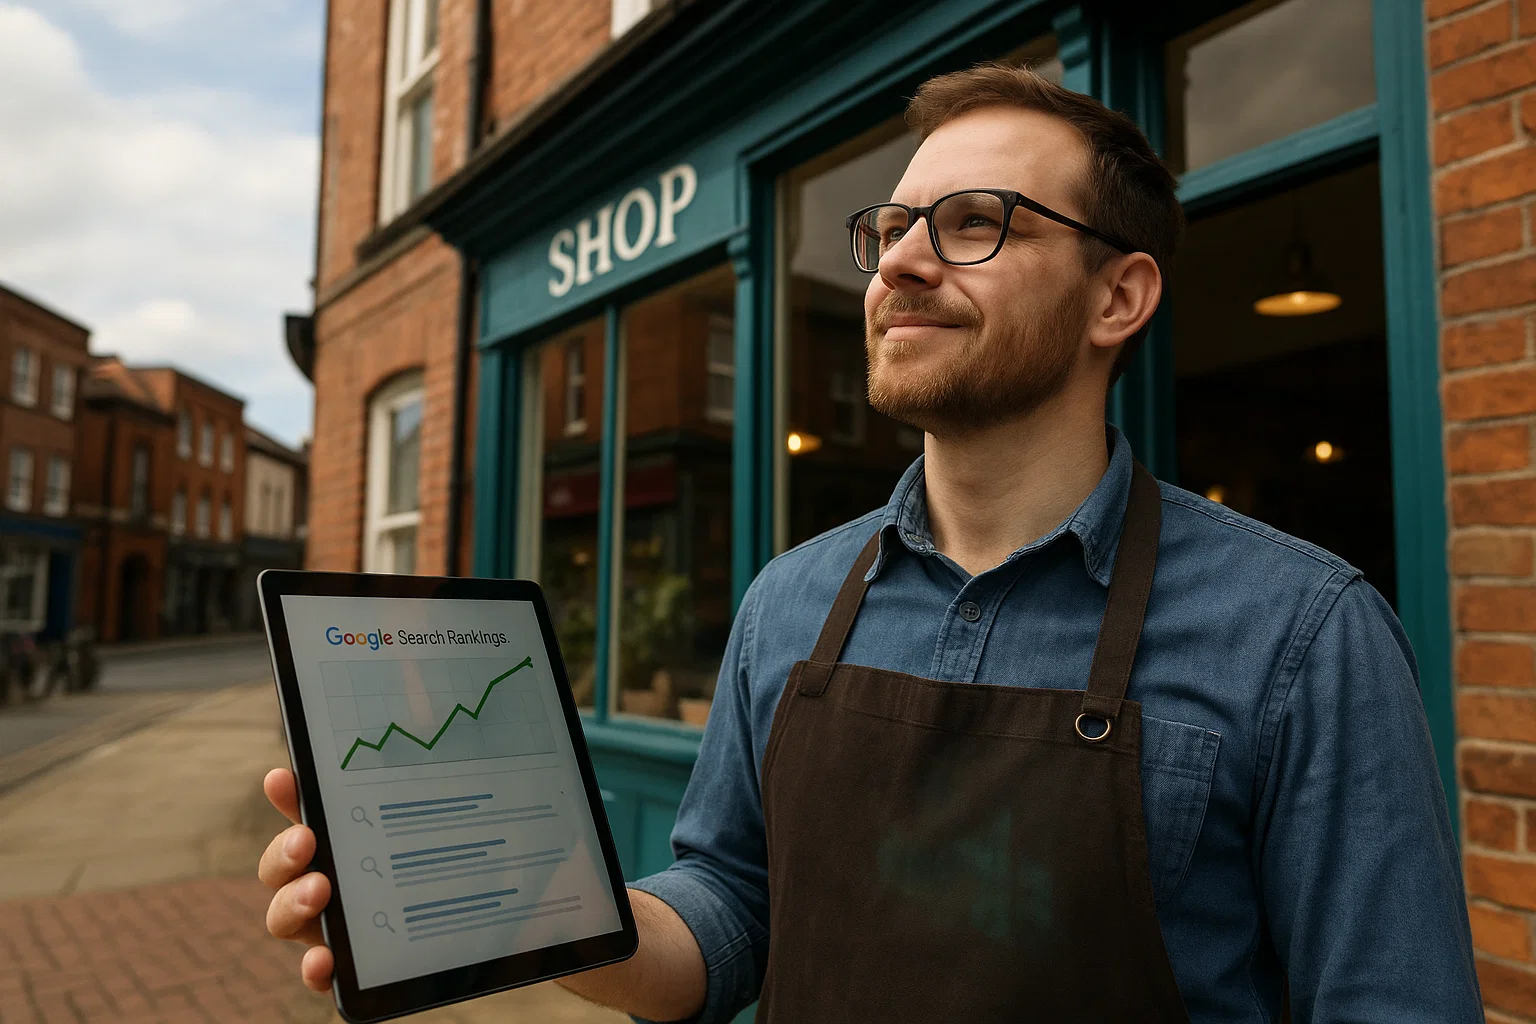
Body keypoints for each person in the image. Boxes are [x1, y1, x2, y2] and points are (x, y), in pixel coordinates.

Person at [260, 62, 1481, 1022]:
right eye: (894, 225)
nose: (898, 260)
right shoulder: (792, 601)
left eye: (973, 223)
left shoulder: (1304, 635)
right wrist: (557, 912)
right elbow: (733, 904)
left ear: (1120, 298)